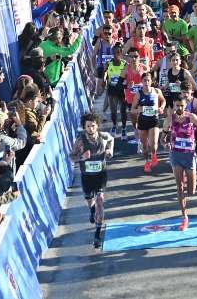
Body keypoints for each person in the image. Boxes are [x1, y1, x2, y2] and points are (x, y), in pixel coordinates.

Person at [162, 95, 197, 231]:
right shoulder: (169, 119)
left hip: (189, 156)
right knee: (180, 187)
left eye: (182, 106)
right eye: (177, 106)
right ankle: (184, 217)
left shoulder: (191, 117)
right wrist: (165, 144)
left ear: (186, 106)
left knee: (191, 191)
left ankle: (188, 188)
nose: (180, 108)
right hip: (176, 155)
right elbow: (163, 138)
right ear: (173, 106)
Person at [69, 113, 114, 249]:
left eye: (93, 126)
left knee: (100, 200)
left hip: (100, 174)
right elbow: (71, 157)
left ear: (97, 126)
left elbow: (111, 139)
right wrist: (82, 157)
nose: (90, 128)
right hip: (87, 176)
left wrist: (109, 151)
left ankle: (97, 234)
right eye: (88, 126)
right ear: (84, 127)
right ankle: (91, 209)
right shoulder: (80, 141)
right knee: (90, 200)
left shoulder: (103, 136)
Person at [131, 71, 166, 173]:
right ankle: (147, 162)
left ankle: (154, 154)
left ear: (152, 81)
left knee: (153, 144)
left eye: (148, 80)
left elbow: (163, 100)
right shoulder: (139, 94)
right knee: (145, 146)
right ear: (141, 82)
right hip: (142, 121)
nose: (146, 82)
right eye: (144, 80)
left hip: (154, 120)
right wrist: (139, 110)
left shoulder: (157, 91)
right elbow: (132, 110)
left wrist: (161, 107)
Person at [104, 44, 128, 137]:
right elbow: (105, 73)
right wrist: (103, 79)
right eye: (114, 52)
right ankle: (114, 125)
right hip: (112, 88)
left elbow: (128, 76)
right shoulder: (108, 63)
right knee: (113, 110)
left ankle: (124, 128)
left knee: (123, 110)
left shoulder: (125, 64)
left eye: (118, 52)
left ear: (121, 53)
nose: (116, 54)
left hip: (122, 89)